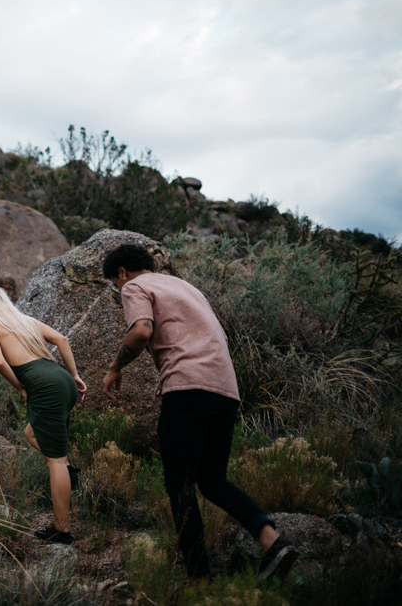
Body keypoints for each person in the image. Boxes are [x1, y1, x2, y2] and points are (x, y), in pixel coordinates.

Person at [100, 244, 298, 584]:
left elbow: (142, 329)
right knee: (212, 480)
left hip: (188, 388)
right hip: (226, 391)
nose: (119, 291)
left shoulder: (134, 286)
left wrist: (115, 366)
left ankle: (198, 578)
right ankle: (273, 542)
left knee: (180, 485)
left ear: (121, 272)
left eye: (115, 284)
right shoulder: (187, 287)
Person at [0, 285, 87, 544]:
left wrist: (20, 387)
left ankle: (62, 530)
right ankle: (68, 472)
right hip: (63, 380)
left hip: (45, 387)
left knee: (55, 461)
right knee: (31, 433)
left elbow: (0, 363)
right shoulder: (24, 321)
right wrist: (75, 375)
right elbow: (61, 339)